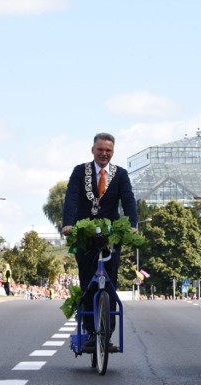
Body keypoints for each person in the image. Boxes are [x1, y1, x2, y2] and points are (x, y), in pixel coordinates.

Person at [62, 132, 138, 348]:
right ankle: (90, 331)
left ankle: (107, 334)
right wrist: (68, 223)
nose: (104, 154)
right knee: (88, 282)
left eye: (109, 151)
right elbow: (71, 197)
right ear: (93, 150)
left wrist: (133, 224)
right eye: (101, 149)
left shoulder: (120, 174)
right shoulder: (80, 171)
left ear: (113, 152)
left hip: (110, 234)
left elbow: (128, 199)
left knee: (110, 282)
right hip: (85, 234)